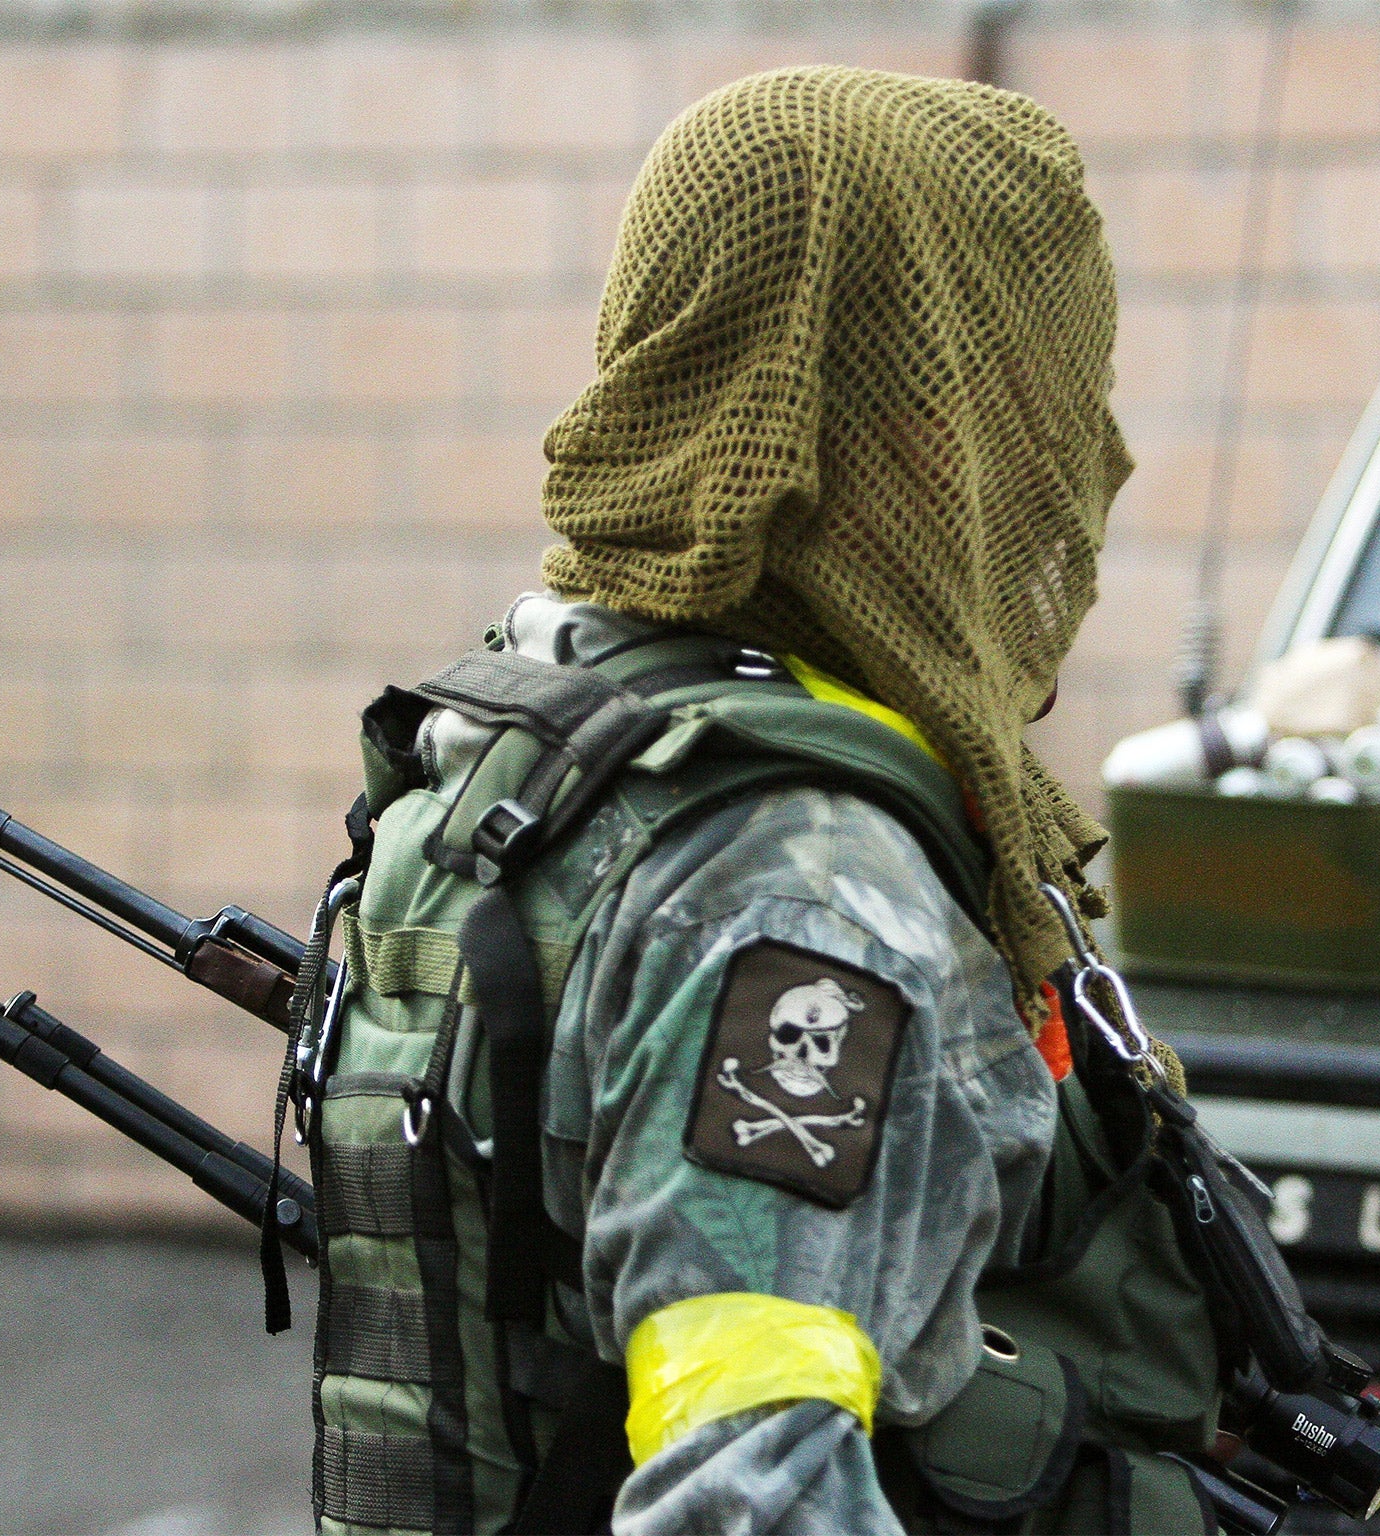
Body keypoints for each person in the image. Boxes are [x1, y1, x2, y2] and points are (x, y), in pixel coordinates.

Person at [300, 64, 1218, 1536]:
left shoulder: (542, 733)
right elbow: (748, 1498)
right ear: (918, 421)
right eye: (1021, 383)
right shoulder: (801, 886)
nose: (1069, 447)